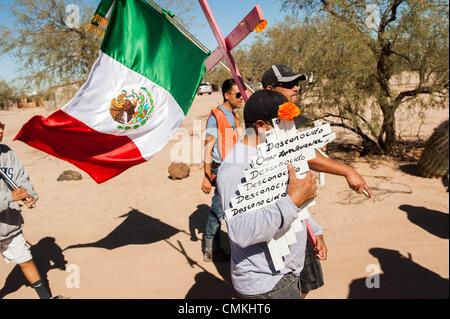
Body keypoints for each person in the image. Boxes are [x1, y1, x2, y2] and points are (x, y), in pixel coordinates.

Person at [217, 90, 372, 298]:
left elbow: (289, 201)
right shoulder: (236, 168)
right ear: (261, 126)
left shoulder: (274, 152)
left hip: (286, 272)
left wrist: (313, 230)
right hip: (267, 283)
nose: (292, 132)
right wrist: (294, 200)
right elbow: (241, 232)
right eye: (285, 125)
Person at [262, 64, 327, 297]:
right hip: (282, 229)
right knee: (289, 287)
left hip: (301, 222)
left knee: (305, 285)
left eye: (296, 83)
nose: (296, 88)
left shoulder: (289, 124)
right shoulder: (263, 129)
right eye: (288, 84)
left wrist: (314, 230)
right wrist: (347, 171)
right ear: (270, 89)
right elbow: (306, 156)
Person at [0, 120, 52, 299]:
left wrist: (28, 194)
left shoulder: (7, 152)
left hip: (10, 225)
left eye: (1, 125)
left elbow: (21, 177)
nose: (1, 130)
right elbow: (9, 196)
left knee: (26, 261)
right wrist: (9, 198)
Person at [201, 78, 243, 262]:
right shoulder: (215, 116)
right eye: (238, 94)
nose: (241, 98)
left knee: (233, 207)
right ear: (227, 95)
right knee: (218, 209)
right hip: (221, 169)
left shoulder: (233, 115)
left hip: (234, 167)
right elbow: (208, 148)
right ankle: (210, 249)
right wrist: (206, 176)